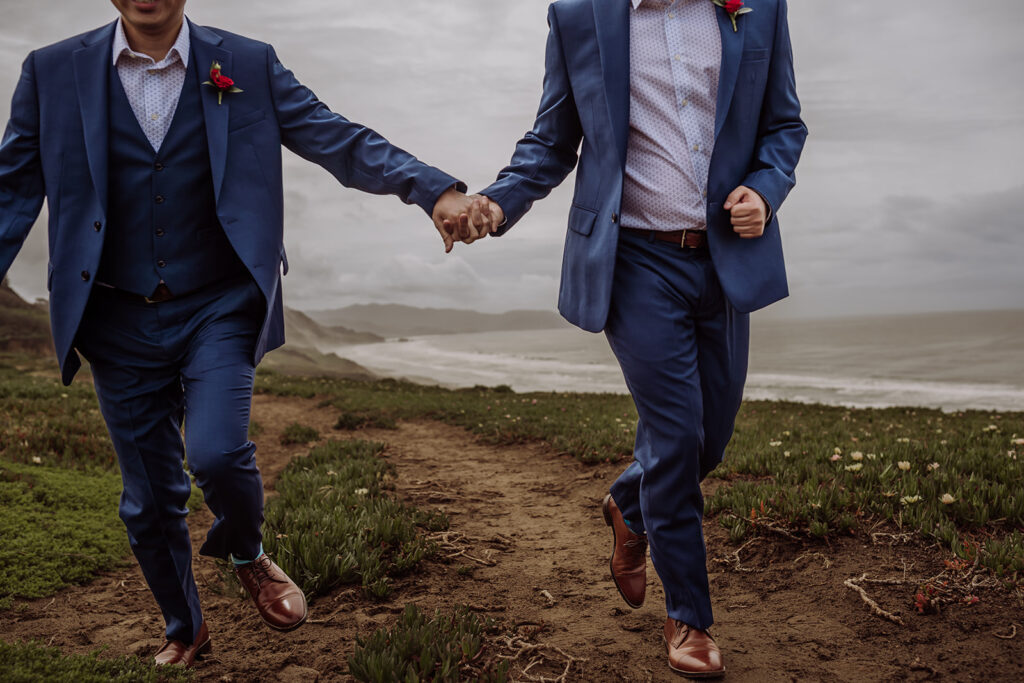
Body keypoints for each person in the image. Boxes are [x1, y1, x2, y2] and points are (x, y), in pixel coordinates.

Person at [0, 0, 485, 667]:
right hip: (114, 317)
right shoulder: (49, 72)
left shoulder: (247, 63)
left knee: (220, 454)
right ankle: (185, 628)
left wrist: (433, 191)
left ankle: (247, 551)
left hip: (218, 302)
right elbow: (10, 193)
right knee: (148, 502)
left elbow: (337, 137)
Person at [451, 0, 807, 676]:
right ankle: (689, 619)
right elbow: (553, 141)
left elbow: (783, 123)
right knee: (674, 440)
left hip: (726, 258)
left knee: (711, 438)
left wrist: (765, 188)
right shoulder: (579, 17)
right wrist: (497, 203)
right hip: (635, 262)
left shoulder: (756, 7)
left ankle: (627, 501)